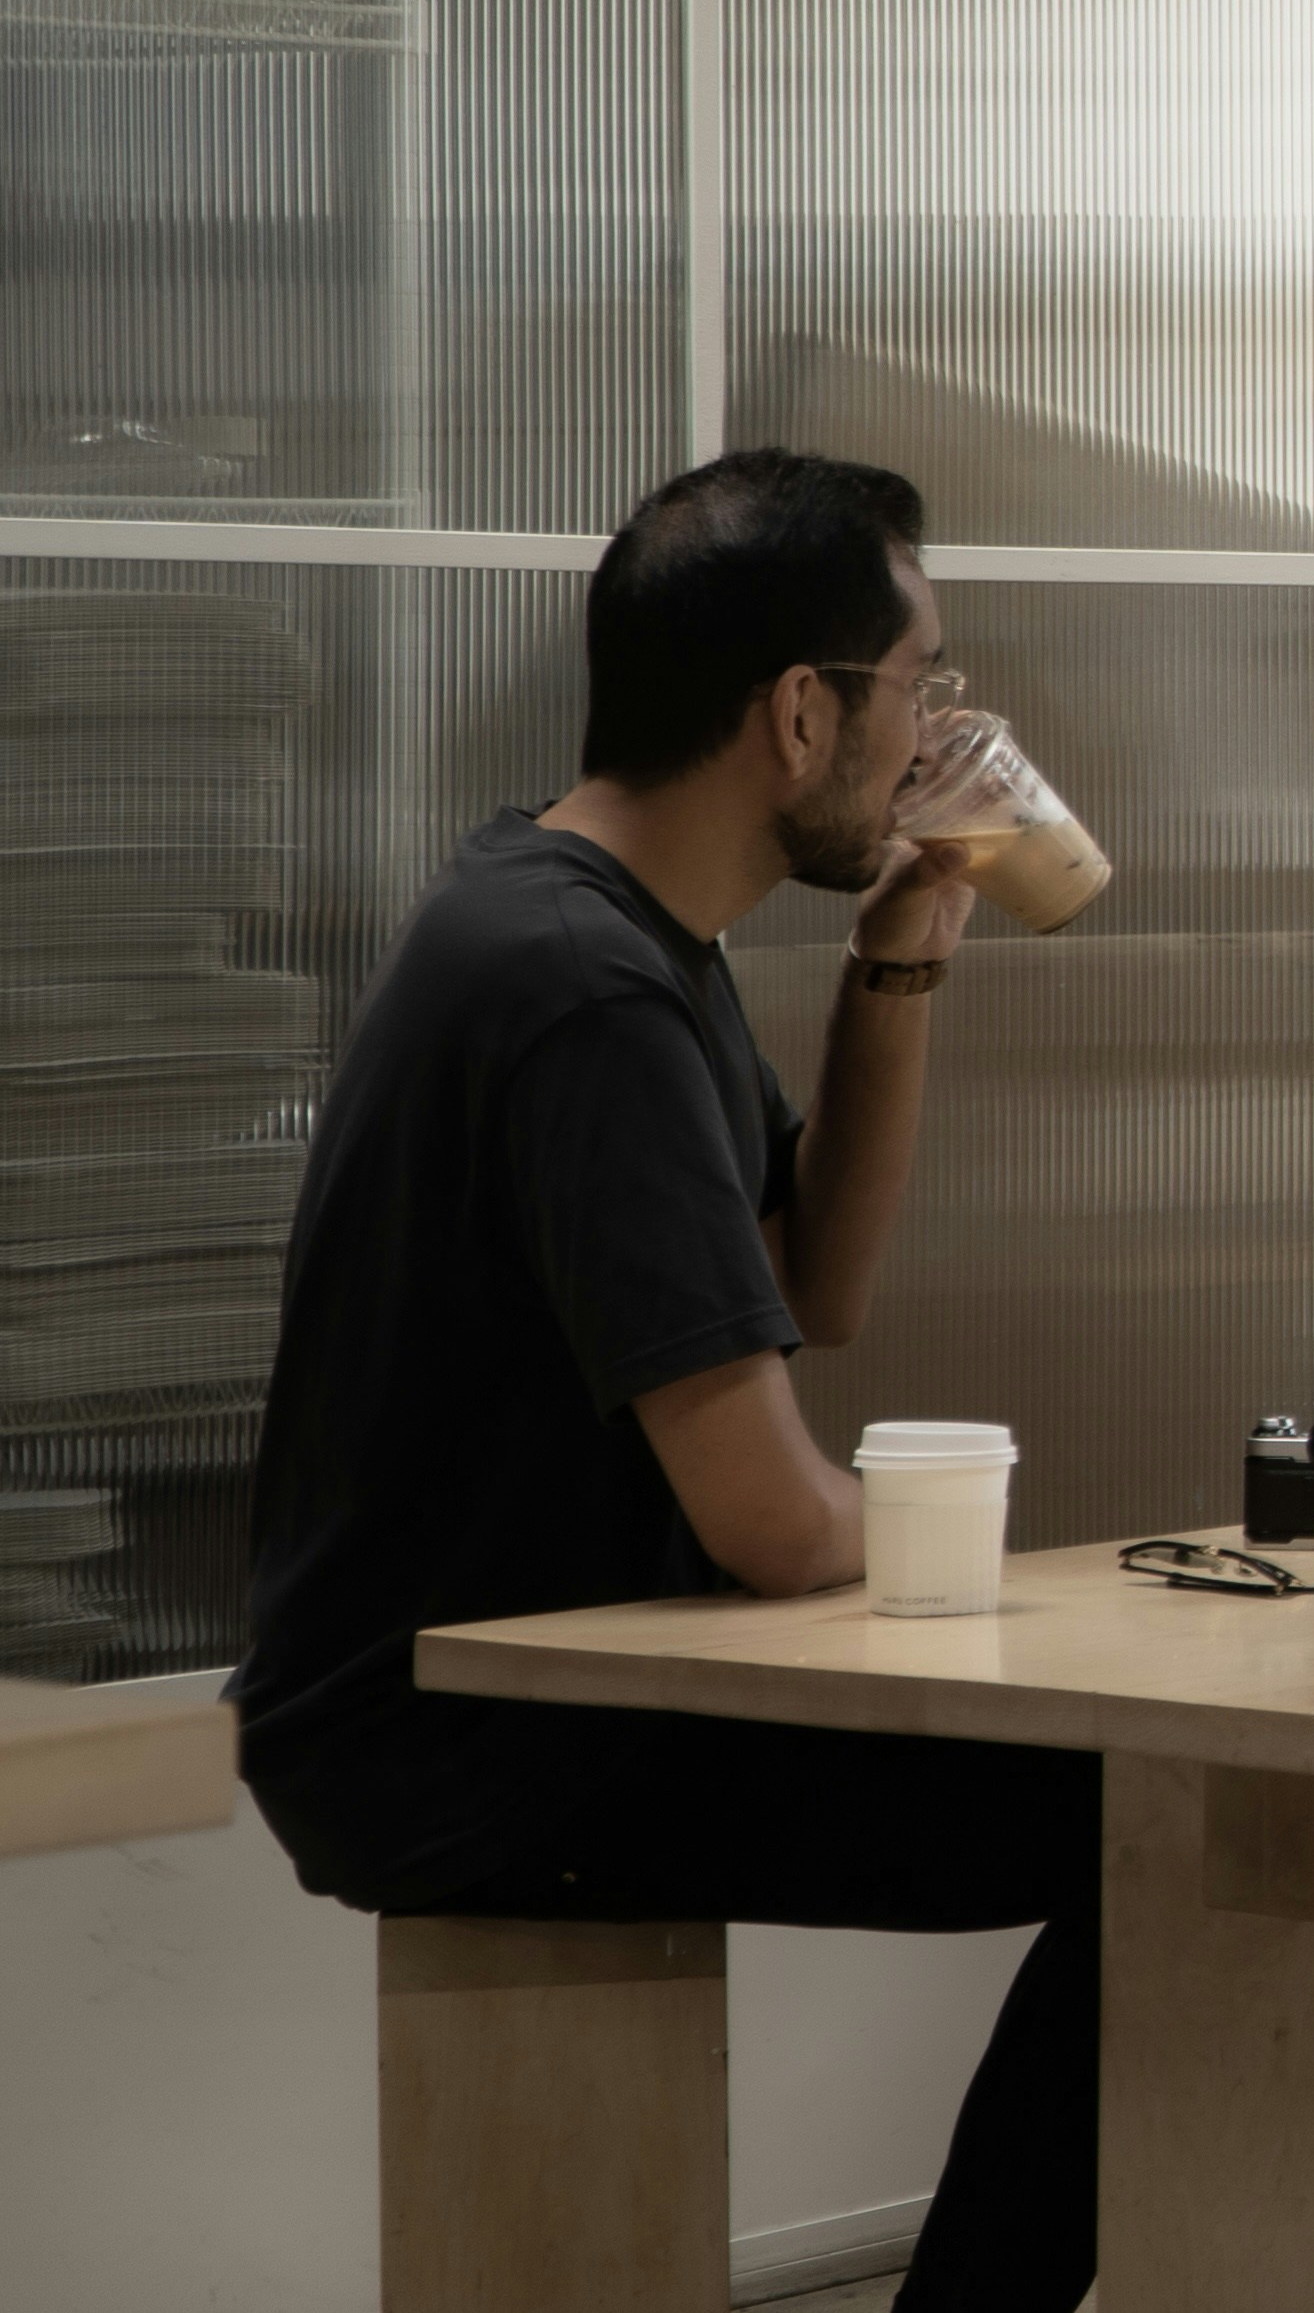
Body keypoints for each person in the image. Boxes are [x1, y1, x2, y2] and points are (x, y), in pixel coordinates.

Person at [229, 451, 1092, 2311]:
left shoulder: (607, 924)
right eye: (919, 683)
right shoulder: (585, 985)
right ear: (802, 714)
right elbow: (773, 1521)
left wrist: (899, 956)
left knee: (1139, 1796)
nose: (936, 732)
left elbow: (814, 1285)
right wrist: (1024, 1588)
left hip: (534, 1677)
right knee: (1156, 1811)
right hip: (463, 1727)